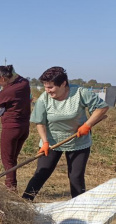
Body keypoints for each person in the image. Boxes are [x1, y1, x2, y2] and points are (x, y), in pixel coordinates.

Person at [22, 66, 109, 201]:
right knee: (42, 171)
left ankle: (80, 207)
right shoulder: (44, 99)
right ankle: (25, 202)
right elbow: (40, 122)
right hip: (52, 141)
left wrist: (88, 124)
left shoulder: (80, 93)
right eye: (45, 87)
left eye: (50, 87)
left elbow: (102, 107)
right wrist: (45, 142)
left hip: (78, 140)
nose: (47, 90)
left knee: (76, 176)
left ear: (63, 84)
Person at [0, 65, 31, 191]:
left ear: (2, 78)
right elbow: (18, 77)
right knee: (12, 159)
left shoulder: (6, 92)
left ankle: (10, 188)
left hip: (11, 128)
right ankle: (11, 185)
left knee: (7, 159)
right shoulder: (24, 83)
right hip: (24, 127)